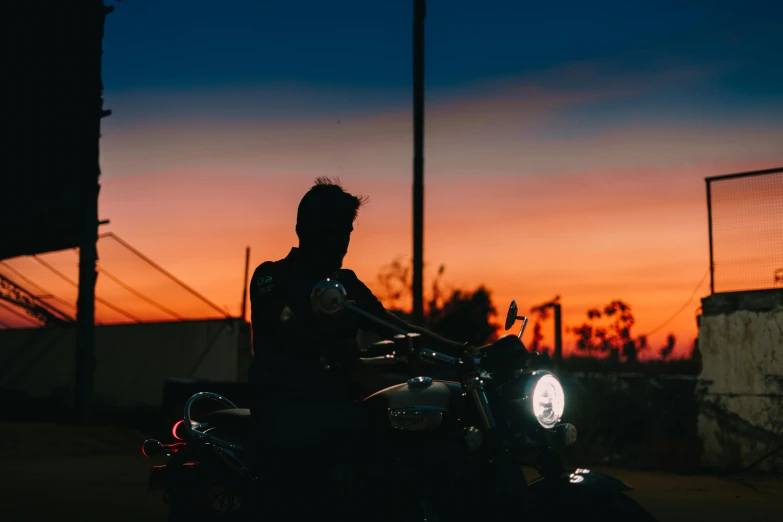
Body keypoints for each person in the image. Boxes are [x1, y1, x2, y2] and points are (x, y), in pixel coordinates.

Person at [247, 177, 467, 520]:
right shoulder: (272, 277)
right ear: (304, 228)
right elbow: (282, 327)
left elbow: (392, 324)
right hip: (286, 408)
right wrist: (335, 350)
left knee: (413, 435)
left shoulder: (345, 283)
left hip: (339, 403)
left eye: (346, 231)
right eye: (333, 231)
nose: (342, 242)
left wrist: (465, 351)